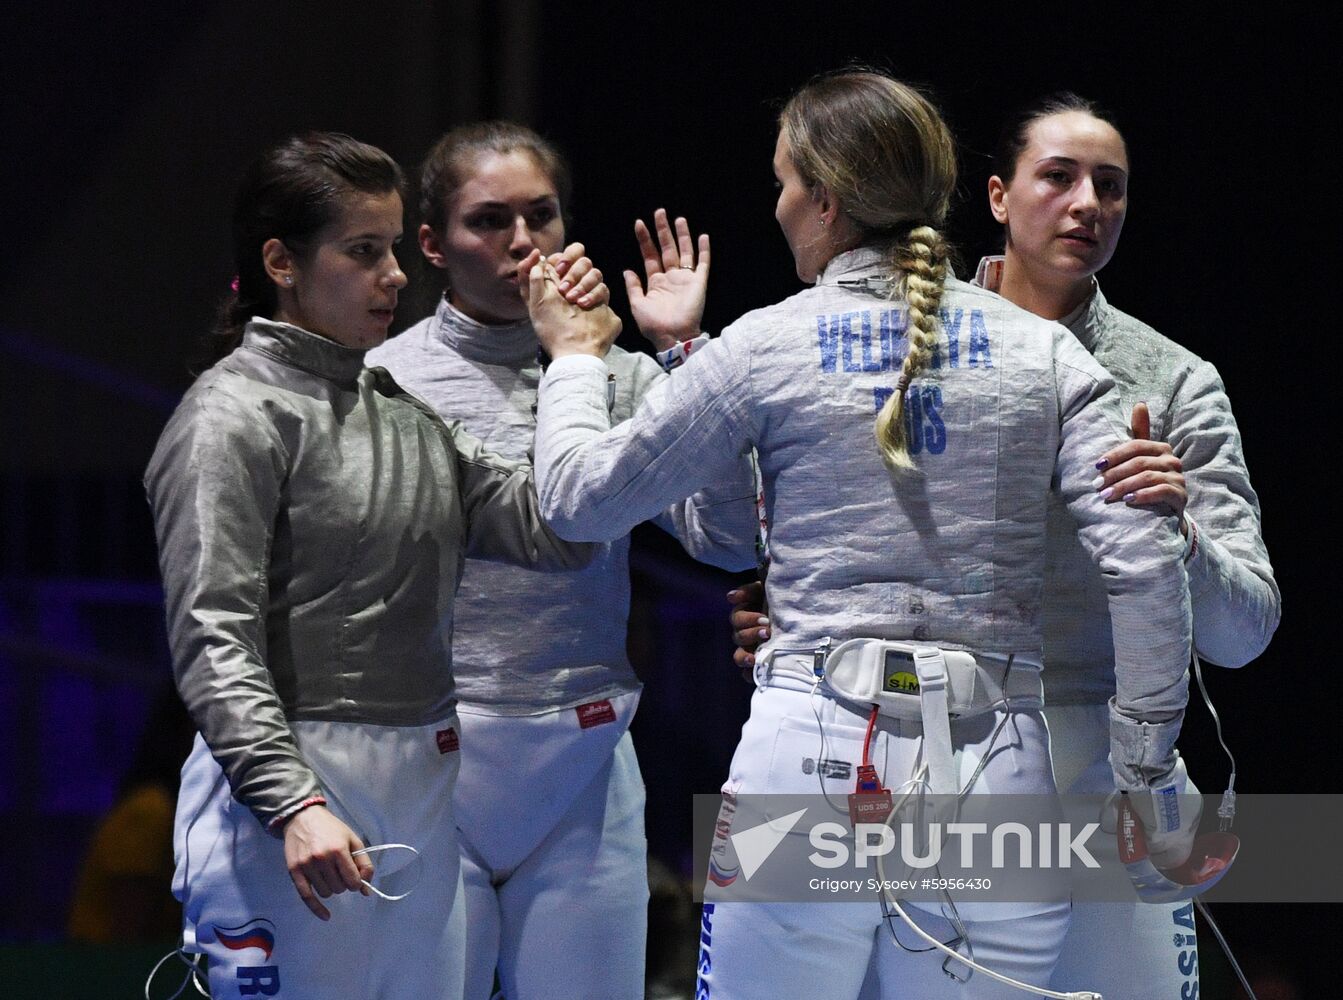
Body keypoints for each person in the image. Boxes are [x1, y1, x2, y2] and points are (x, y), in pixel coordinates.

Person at [525, 71, 1194, 999]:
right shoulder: (1047, 352)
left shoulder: (766, 343)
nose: (777, 206)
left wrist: (571, 362)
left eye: (783, 183)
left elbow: (574, 499)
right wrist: (1146, 771)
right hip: (995, 767)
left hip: (805, 755)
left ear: (826, 201)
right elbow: (1146, 560)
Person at [145, 132, 601, 999]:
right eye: (363, 252)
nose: (394, 276)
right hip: (287, 793)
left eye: (393, 249)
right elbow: (211, 635)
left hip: (423, 784)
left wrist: (578, 364)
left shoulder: (402, 416)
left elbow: (565, 531)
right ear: (281, 262)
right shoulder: (231, 416)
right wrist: (292, 802)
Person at [366, 122, 756, 1000]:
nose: (521, 242)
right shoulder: (382, 381)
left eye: (539, 216)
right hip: (427, 765)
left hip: (581, 764)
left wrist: (684, 352)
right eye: (488, 220)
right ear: (432, 244)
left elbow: (730, 537)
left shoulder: (620, 377)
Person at [980, 93, 1279, 998]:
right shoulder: (914, 350)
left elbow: (1243, 631)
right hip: (943, 742)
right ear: (997, 196)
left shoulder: (1173, 380)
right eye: (1057, 177)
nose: (1086, 204)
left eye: (1108, 186)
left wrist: (1177, 531)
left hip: (1107, 760)